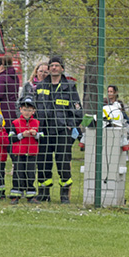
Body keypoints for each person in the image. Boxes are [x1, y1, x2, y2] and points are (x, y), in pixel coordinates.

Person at [33, 55, 82, 203]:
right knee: (43, 163)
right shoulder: (40, 86)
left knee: (63, 163)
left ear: (62, 68)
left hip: (62, 131)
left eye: (57, 65)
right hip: (44, 131)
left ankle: (64, 195)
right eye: (52, 65)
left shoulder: (70, 87)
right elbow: (33, 107)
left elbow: (78, 111)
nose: (54, 68)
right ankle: (43, 194)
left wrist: (69, 126)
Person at [8, 96, 41, 204]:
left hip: (32, 154)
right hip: (19, 154)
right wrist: (22, 135)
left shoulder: (37, 123)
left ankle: (30, 196)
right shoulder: (15, 123)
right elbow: (11, 138)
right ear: (20, 110)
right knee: (18, 174)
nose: (27, 112)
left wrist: (36, 135)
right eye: (25, 109)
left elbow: (43, 137)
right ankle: (15, 196)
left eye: (29, 110)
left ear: (33, 111)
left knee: (31, 175)